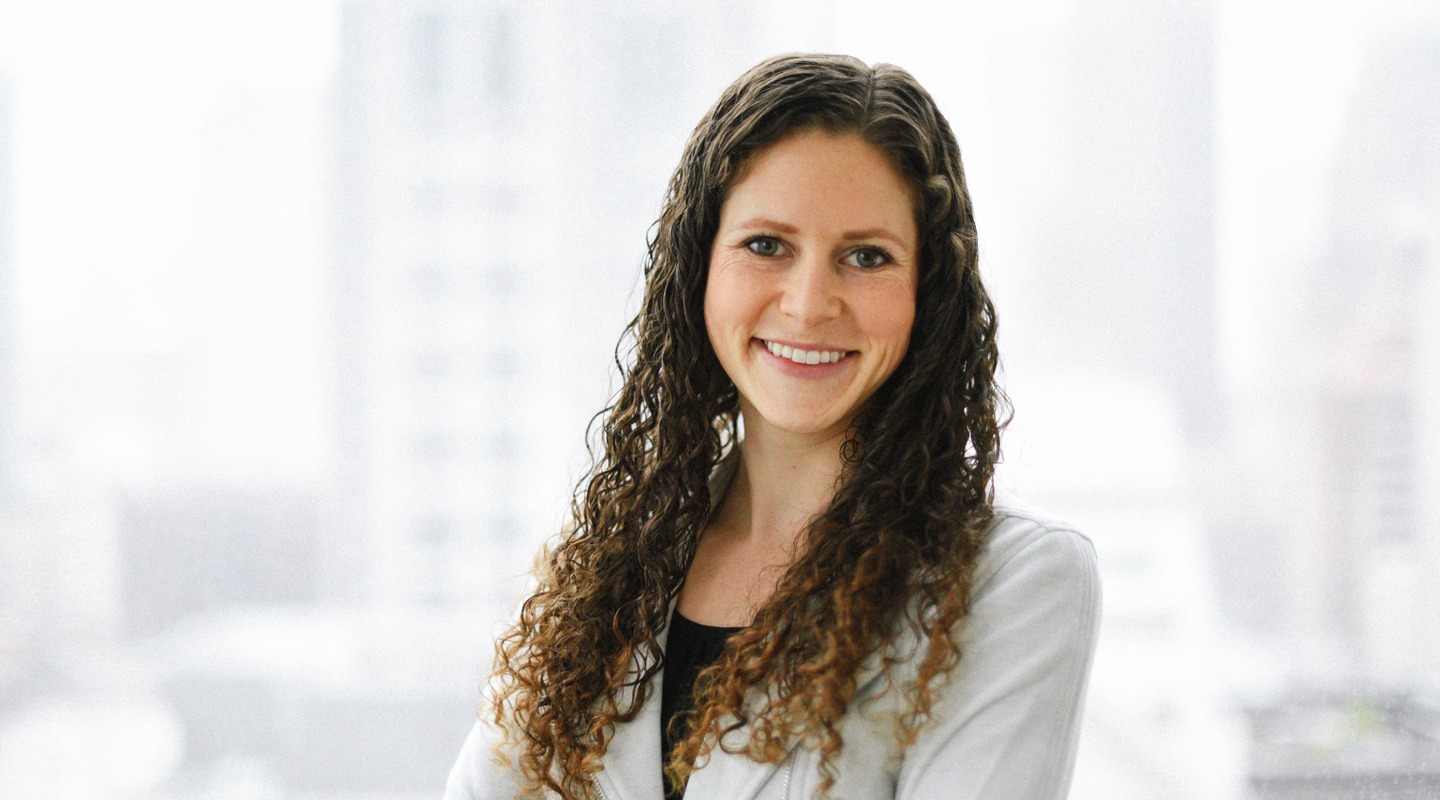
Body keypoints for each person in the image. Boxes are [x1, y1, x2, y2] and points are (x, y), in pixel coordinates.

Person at [444, 53, 1100, 800]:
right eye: (766, 246)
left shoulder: (1015, 582)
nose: (810, 301)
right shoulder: (604, 572)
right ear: (701, 268)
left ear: (929, 296)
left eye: (866, 257)